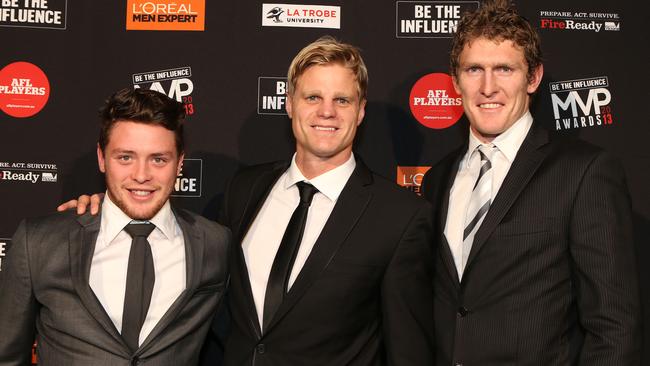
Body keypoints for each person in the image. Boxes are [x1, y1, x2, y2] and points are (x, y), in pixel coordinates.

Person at [59, 36, 435, 366]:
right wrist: (107, 210)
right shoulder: (246, 188)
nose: (327, 112)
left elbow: (408, 351)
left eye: (342, 99)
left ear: (361, 110)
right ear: (289, 104)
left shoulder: (399, 216)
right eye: (312, 97)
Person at [420, 1, 641, 365]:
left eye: (504, 69)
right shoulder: (437, 179)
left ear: (533, 77)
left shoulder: (584, 172)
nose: (487, 87)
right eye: (474, 69)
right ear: (456, 80)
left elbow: (615, 325)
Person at [0, 88, 231, 365]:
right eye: (125, 157)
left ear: (180, 163)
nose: (141, 175)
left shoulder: (214, 243)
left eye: (158, 159)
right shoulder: (39, 242)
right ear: (101, 158)